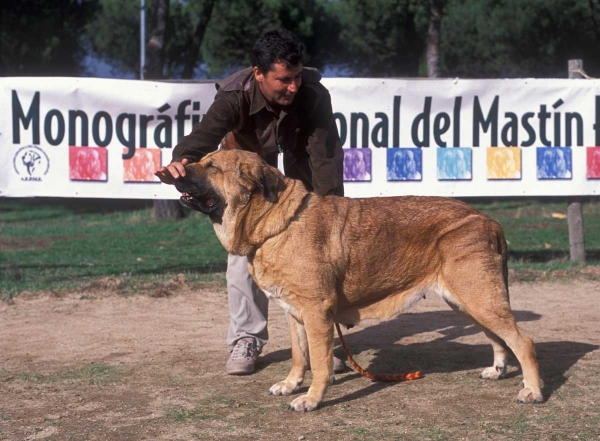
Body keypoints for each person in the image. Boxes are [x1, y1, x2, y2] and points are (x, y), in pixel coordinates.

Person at [155, 29, 346, 375]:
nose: (293, 86)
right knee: (242, 249)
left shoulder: (313, 93)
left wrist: (329, 210)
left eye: (297, 77)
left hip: (299, 168)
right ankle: (247, 338)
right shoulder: (234, 96)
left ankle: (321, 341)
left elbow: (326, 156)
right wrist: (181, 162)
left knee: (314, 255)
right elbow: (201, 140)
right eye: (284, 79)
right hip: (246, 177)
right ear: (258, 73)